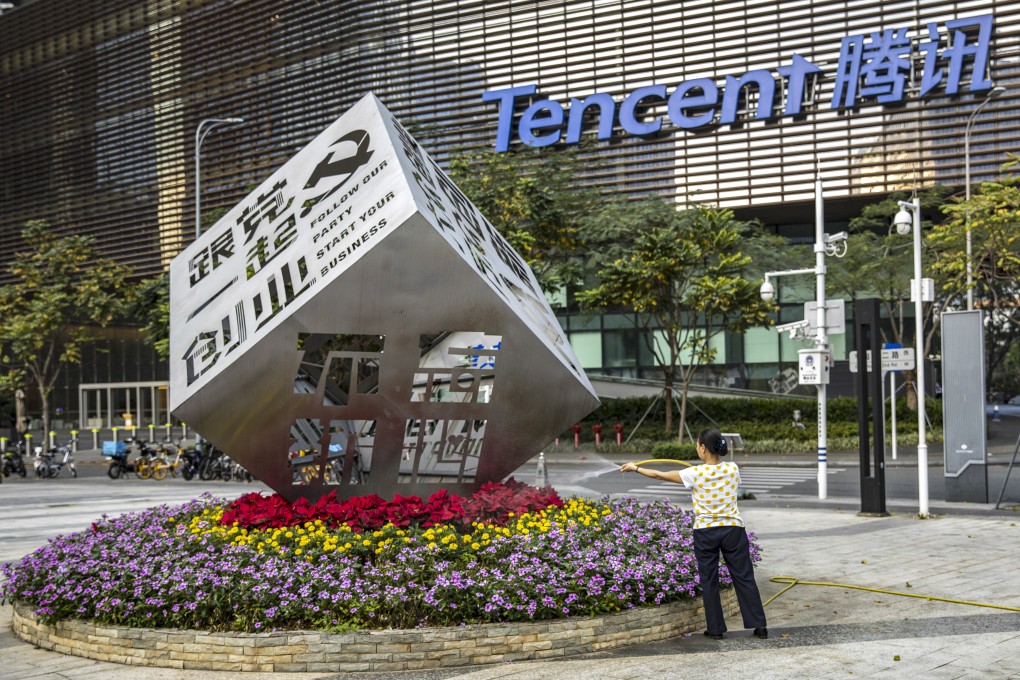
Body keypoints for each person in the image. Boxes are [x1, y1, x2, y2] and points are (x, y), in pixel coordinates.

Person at [621, 428, 768, 640]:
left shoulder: (694, 473)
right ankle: (759, 626)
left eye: (697, 445)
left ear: (702, 448)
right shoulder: (733, 468)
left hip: (705, 532)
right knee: (744, 577)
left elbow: (658, 474)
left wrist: (635, 468)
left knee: (709, 580)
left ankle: (716, 630)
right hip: (733, 530)